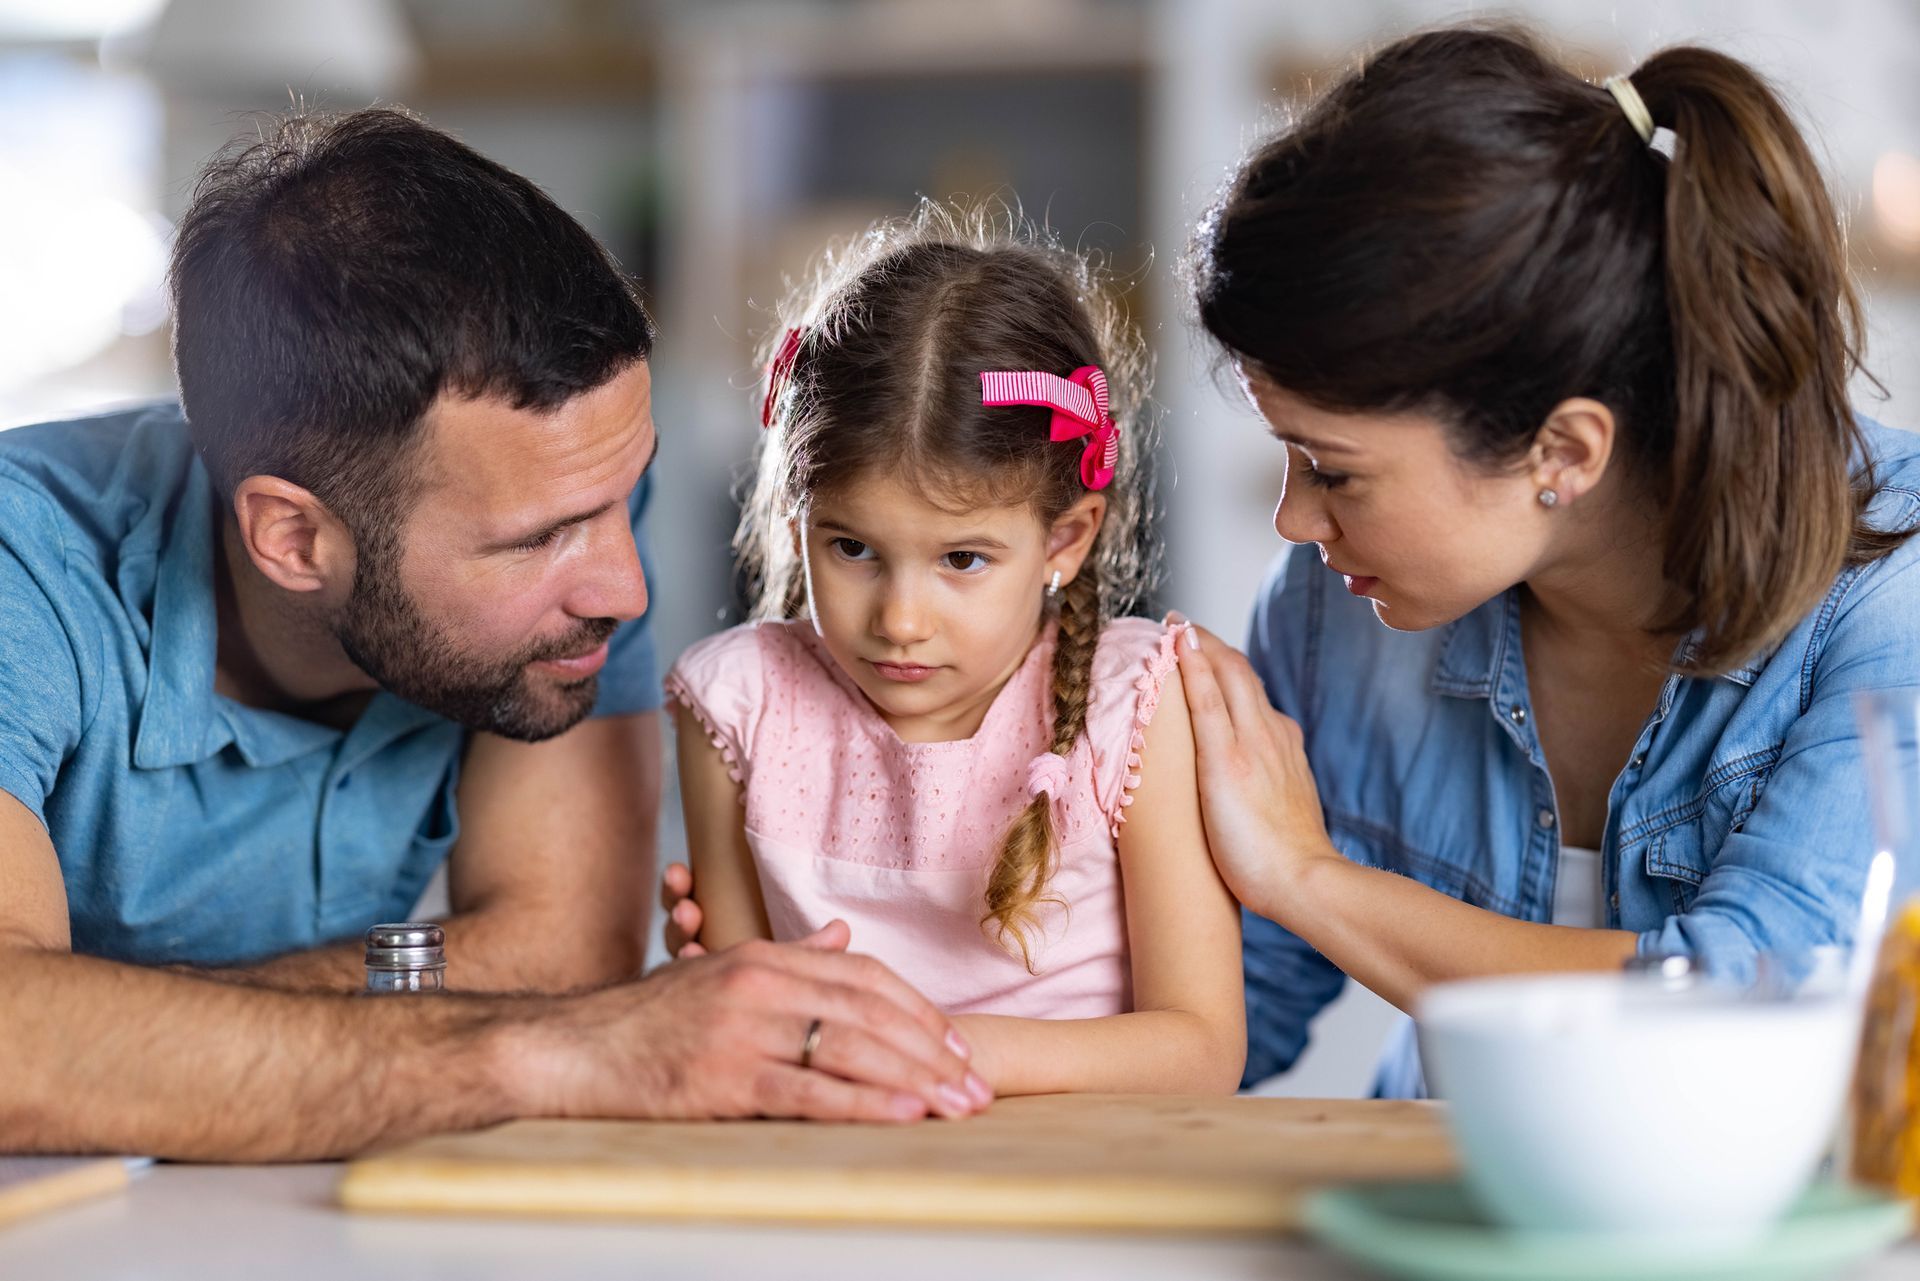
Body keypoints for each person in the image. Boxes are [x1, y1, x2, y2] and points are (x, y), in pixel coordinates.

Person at [0, 107, 982, 1162]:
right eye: (542, 540)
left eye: (623, 495)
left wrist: (111, 1030)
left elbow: (568, 951)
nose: (626, 589)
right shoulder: (26, 565)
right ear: (293, 537)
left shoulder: (562, 475)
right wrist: (559, 1052)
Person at [1171, 24, 1920, 1093]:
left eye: (1333, 470)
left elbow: (1748, 1008)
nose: (1296, 523)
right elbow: (1222, 1018)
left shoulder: (1892, 593)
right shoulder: (1339, 604)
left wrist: (1308, 878)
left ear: (1561, 451)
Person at [663, 206, 1245, 1097]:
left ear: (1067, 539)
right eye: (852, 548)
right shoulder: (736, 703)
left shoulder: (1135, 708)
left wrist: (922, 1047)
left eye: (962, 559)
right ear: (797, 517)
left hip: (1083, 1182)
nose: (900, 619)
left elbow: (1201, 1051)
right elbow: (742, 1036)